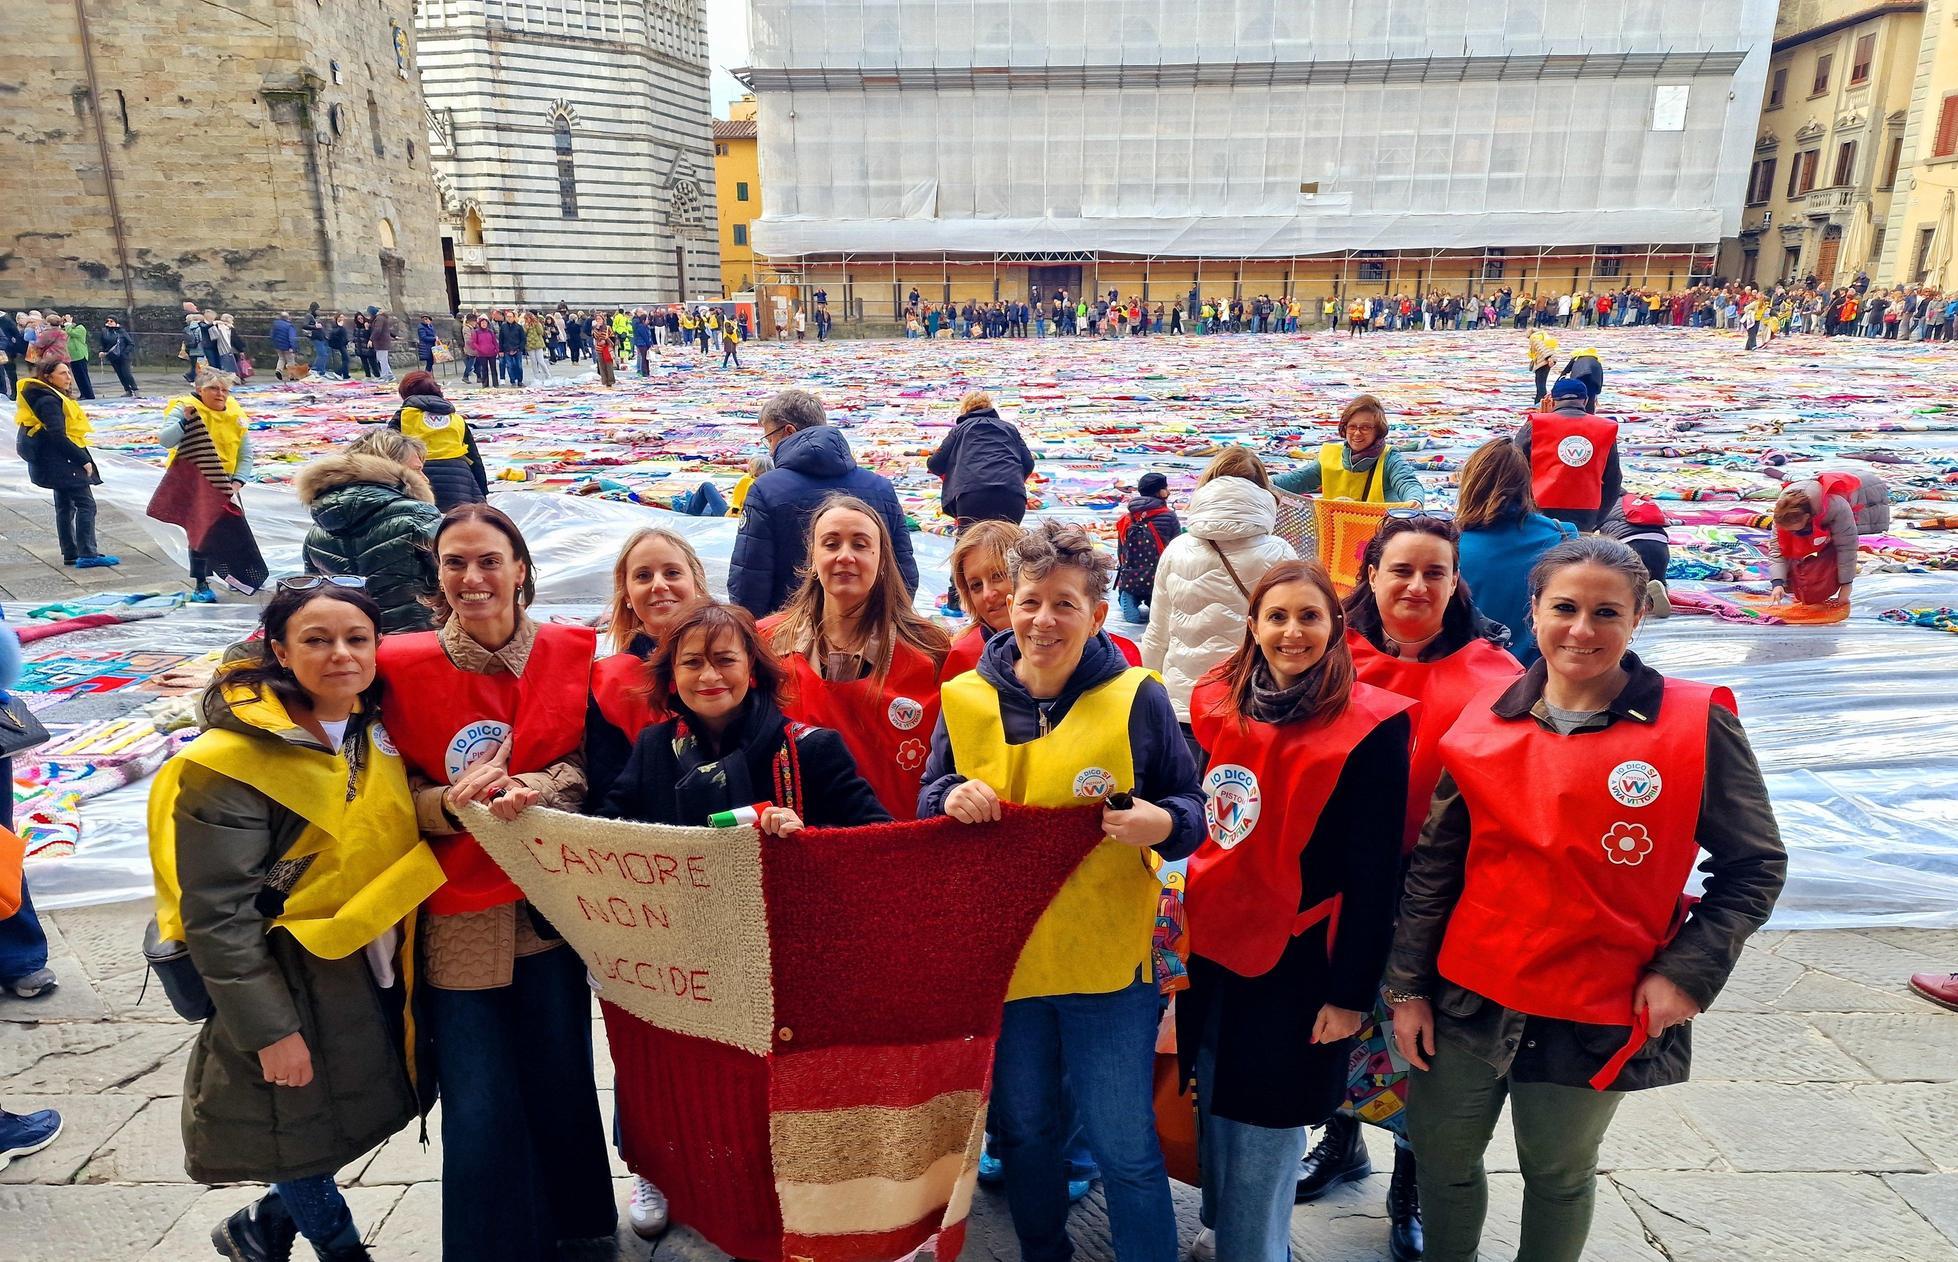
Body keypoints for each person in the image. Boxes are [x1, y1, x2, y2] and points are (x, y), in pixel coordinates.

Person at [1385, 537, 1786, 1262]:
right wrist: (1408, 985)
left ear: (1638, 617)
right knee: (1443, 1162)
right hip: (1468, 996)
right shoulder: (1484, 718)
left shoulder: (1693, 724)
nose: (1582, 629)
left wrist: (1687, 973)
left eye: (1607, 612)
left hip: (1596, 1003)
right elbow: (1436, 868)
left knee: (1559, 1174)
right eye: (1565, 607)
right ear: (1533, 610)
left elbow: (1754, 863)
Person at [921, 521, 1200, 1262]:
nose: (1044, 620)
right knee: (1028, 1136)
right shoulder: (964, 697)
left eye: (1065, 604)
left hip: (1110, 967)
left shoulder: (1138, 698)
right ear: (1008, 606)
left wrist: (1162, 820)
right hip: (1009, 967)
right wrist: (950, 796)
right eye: (1030, 601)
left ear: (1098, 615)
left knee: (1124, 1144)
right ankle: (1044, 1251)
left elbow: (1193, 808)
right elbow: (927, 802)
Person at [148, 579, 446, 1262]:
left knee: (353, 1107)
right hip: (285, 971)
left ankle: (263, 1225)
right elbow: (219, 916)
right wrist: (270, 1030)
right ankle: (342, 1250)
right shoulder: (231, 765)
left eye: (355, 639)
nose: (340, 654)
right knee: (296, 1122)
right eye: (317, 640)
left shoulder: (375, 727)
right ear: (280, 652)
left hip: (370, 949)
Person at [373, 505, 616, 1260]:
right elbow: (381, 798)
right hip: (454, 915)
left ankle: (579, 1231)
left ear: (520, 569)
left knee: (562, 1074)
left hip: (547, 907)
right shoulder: (397, 665)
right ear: (437, 575)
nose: (473, 578)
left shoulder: (572, 654)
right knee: (478, 1102)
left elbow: (589, 766)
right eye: (455, 563)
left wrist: (543, 788)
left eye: (488, 561)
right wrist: (447, 805)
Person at [1180, 559, 1413, 1262]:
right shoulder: (1220, 703)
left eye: (1309, 616)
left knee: (1267, 1121)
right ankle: (1222, 1231)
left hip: (1300, 960)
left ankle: (1256, 1251)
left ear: (1336, 627)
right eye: (1276, 616)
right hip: (1214, 949)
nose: (1291, 632)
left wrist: (1349, 995)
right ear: (1252, 626)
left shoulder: (1370, 727)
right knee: (1215, 1093)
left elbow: (1375, 877)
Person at [597, 599, 892, 832]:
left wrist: (808, 836)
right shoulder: (654, 747)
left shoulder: (814, 750)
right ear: (672, 675)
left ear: (751, 669)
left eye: (725, 660)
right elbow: (605, 834)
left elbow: (880, 837)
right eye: (692, 662)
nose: (710, 676)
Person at [760, 495, 949, 819]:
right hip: (798, 847)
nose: (845, 556)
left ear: (882, 561)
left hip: (897, 847)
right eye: (831, 544)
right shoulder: (765, 644)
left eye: (860, 545)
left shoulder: (931, 651)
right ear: (813, 560)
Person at [1141, 447, 1294, 762]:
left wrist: (1148, 693)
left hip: (1183, 705)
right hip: (1251, 702)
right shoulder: (1279, 553)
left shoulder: (1177, 550)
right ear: (1262, 491)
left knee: (1184, 801)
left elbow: (1157, 633)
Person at [729, 389, 919, 617]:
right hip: (869, 629)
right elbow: (903, 571)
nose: (769, 449)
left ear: (788, 431)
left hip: (790, 634)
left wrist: (755, 635)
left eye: (769, 438)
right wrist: (888, 624)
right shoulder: (880, 488)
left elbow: (749, 577)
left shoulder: (766, 489)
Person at [586, 527, 710, 809]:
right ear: (627, 595)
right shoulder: (608, 682)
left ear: (696, 583)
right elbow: (608, 789)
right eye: (643, 576)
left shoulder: (738, 663)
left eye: (672, 573)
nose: (659, 585)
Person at [297, 429, 442, 634]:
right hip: (420, 639)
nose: (424, 479)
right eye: (416, 470)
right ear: (396, 471)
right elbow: (453, 578)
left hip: (356, 644)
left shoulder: (316, 531)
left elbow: (313, 598)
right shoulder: (418, 517)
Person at [1454, 438, 1578, 662]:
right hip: (1544, 677)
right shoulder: (1563, 536)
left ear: (1470, 485)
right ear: (1526, 484)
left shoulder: (1449, 548)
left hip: (1476, 676)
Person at [928, 389, 1035, 613]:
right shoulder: (1009, 429)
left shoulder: (960, 430)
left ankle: (958, 602)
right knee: (1008, 546)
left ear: (965, 410)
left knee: (967, 546)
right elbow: (1029, 464)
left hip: (972, 494)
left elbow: (936, 463)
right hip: (1011, 495)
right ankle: (1017, 599)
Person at [14, 349, 119, 569]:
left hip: (53, 461)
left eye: (68, 373)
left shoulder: (45, 395)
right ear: (48, 377)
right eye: (63, 374)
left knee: (64, 506)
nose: (68, 378)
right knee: (86, 505)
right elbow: (57, 435)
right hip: (63, 461)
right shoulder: (49, 401)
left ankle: (71, 552)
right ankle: (87, 553)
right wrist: (83, 459)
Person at [162, 370, 255, 602]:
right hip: (195, 479)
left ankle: (237, 575)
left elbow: (245, 453)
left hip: (226, 480)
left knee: (233, 530)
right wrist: (184, 421)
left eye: (225, 389)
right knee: (200, 532)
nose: (220, 394)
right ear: (200, 389)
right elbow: (165, 440)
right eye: (214, 388)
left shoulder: (235, 412)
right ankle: (201, 582)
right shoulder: (185, 407)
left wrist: (238, 481)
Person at [1514, 378, 1622, 534]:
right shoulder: (1605, 429)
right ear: (1585, 400)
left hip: (1539, 508)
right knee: (1575, 556)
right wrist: (1598, 517)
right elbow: (1613, 479)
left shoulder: (1535, 425)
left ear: (1553, 400)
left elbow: (1513, 466)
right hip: (1586, 511)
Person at [1273, 395, 1425, 504]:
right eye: (1352, 427)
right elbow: (1298, 479)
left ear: (1378, 430)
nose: (1357, 433)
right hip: (1340, 531)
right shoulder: (1331, 455)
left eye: (1365, 427)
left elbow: (1407, 482)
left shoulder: (1389, 457)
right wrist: (1261, 481)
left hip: (1379, 535)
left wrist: (1414, 502)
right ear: (1344, 429)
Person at [371, 370, 488, 512]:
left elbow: (388, 452)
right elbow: (474, 457)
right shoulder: (456, 418)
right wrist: (481, 491)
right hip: (459, 478)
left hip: (418, 476)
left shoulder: (404, 416)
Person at [1767, 472, 1890, 606]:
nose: (1791, 533)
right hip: (1821, 505)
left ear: (1807, 517)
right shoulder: (1783, 513)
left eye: (1793, 530)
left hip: (1867, 495)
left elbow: (1847, 547)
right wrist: (1777, 583)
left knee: (1824, 572)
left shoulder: (1836, 506)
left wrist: (1846, 586)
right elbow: (1777, 549)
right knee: (1796, 569)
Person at [1113, 472, 1183, 626]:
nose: (1169, 492)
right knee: (1160, 615)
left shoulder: (1127, 518)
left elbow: (1121, 551)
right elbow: (1178, 548)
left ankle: (1128, 595)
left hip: (1131, 577)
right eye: (1166, 488)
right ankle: (1153, 603)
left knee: (1133, 616)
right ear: (1160, 492)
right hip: (1158, 578)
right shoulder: (1169, 517)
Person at [1599, 493, 1673, 616]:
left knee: (1628, 581)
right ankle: (1659, 589)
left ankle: (1637, 605)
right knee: (1658, 577)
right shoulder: (1635, 500)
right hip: (1660, 543)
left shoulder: (1605, 503)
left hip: (1629, 543)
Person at [1555, 346, 1605, 412]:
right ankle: (1589, 415)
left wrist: (1557, 384)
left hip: (1579, 379)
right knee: (1590, 399)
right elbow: (1600, 375)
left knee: (1577, 397)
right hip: (1593, 381)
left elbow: (1565, 371)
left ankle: (1575, 412)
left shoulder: (1576, 358)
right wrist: (1598, 390)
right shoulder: (1596, 360)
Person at [99, 317, 139, 395]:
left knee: (126, 373)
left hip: (124, 357)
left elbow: (131, 343)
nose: (109, 322)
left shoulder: (121, 331)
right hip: (113, 357)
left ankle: (135, 389)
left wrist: (124, 353)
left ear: (116, 322)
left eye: (111, 321)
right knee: (120, 374)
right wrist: (103, 352)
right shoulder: (105, 332)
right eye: (107, 321)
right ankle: (127, 390)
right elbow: (103, 344)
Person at [1528, 328, 1559, 402]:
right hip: (1545, 361)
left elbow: (1541, 348)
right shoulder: (1543, 336)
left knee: (1540, 382)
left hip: (1543, 361)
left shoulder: (1535, 338)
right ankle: (1539, 397)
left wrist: (1548, 357)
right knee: (1541, 381)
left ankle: (1541, 399)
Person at [270, 312, 299, 381]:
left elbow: (272, 335)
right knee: (290, 360)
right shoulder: (289, 326)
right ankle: (291, 376)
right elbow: (291, 338)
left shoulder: (275, 324)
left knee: (281, 358)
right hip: (287, 346)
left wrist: (275, 343)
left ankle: (278, 370)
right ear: (287, 318)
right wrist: (293, 347)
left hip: (278, 345)